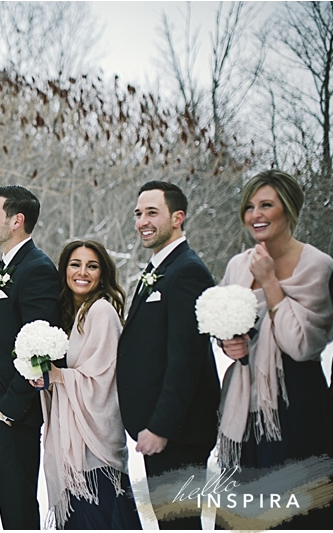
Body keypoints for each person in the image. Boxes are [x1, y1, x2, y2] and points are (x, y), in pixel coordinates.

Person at [216, 170, 333, 528]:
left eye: (266, 204)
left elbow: (301, 345)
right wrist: (227, 343)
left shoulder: (318, 266)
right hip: (245, 400)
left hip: (296, 403)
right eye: (250, 206)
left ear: (289, 210)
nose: (256, 214)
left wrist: (269, 280)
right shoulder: (238, 265)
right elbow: (223, 326)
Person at [116, 181, 220, 529]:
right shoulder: (158, 269)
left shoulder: (187, 271)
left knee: (179, 524)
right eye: (138, 213)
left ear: (178, 217)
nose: (142, 221)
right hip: (163, 432)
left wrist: (161, 427)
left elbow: (186, 359)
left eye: (151, 213)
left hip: (180, 434)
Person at [29, 240, 141, 530]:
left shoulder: (102, 312)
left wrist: (57, 376)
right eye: (75, 264)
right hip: (72, 437)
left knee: (100, 517)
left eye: (92, 266)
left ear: (102, 274)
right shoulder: (71, 314)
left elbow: (102, 379)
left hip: (95, 444)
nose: (82, 272)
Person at [0, 185, 59, 529]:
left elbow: (38, 346)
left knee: (17, 505)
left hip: (11, 411)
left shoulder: (36, 268)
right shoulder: (5, 266)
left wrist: (11, 407)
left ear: (17, 221)